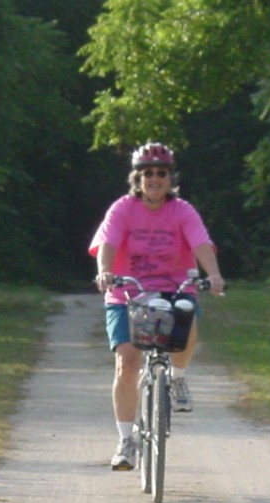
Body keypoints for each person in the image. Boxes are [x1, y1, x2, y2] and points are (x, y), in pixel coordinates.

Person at [91, 141, 225, 471]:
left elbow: (201, 244)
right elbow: (108, 244)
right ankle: (126, 440)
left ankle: (177, 378)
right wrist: (106, 273)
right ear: (137, 178)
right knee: (128, 361)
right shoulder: (122, 209)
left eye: (161, 173)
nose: (154, 179)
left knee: (188, 316)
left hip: (172, 288)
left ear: (170, 178)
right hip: (127, 293)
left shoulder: (182, 210)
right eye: (147, 173)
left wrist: (215, 275)